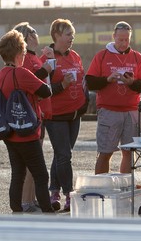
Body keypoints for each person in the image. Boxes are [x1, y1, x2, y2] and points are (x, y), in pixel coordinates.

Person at [0, 29, 54, 213]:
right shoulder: (21, 73)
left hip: (9, 132)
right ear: (20, 52)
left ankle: (16, 208)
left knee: (17, 173)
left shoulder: (1, 74)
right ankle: (47, 209)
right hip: (27, 133)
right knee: (41, 175)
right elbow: (46, 91)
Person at [86, 21, 141, 174]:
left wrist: (132, 82)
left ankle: (126, 186)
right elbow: (90, 82)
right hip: (109, 110)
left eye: (126, 39)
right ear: (114, 37)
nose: (123, 43)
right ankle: (102, 187)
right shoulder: (102, 55)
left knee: (128, 152)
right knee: (106, 151)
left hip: (131, 110)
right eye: (120, 39)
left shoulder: (137, 57)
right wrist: (107, 79)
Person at [43, 18, 89, 212]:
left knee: (62, 155)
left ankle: (53, 190)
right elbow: (42, 88)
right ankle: (69, 194)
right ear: (57, 35)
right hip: (56, 115)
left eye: (73, 34)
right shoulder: (48, 58)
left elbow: (82, 78)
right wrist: (62, 85)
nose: (72, 38)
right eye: (68, 34)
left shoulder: (75, 56)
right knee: (64, 156)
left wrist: (85, 99)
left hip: (74, 113)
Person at [12, 22, 54, 212]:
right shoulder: (26, 59)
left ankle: (30, 199)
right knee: (31, 165)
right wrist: (46, 68)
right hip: (33, 114)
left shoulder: (32, 57)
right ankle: (26, 201)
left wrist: (45, 60)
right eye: (34, 32)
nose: (37, 35)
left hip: (40, 113)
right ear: (27, 37)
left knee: (31, 165)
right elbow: (32, 80)